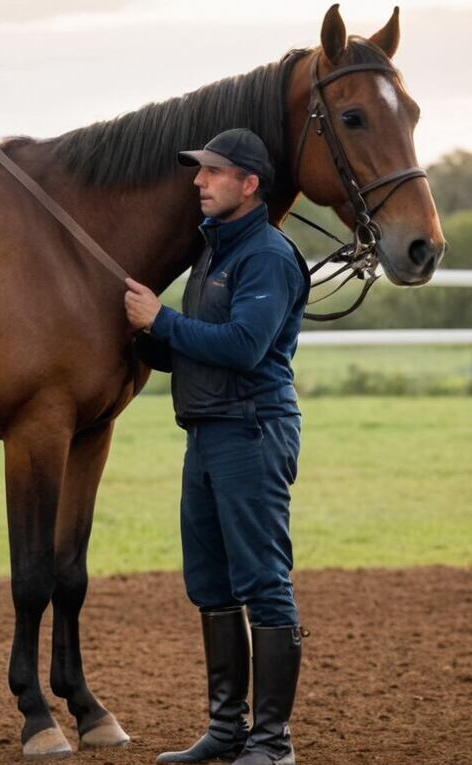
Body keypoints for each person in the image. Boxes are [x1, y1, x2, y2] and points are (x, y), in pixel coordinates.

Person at [123, 128, 310, 765]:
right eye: (198, 171)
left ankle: (273, 743)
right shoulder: (213, 250)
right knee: (210, 584)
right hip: (205, 432)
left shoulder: (268, 255)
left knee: (263, 581)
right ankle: (228, 732)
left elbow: (242, 347)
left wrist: (162, 320)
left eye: (213, 172)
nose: (199, 181)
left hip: (252, 431)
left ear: (249, 184)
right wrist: (146, 339)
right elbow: (196, 347)